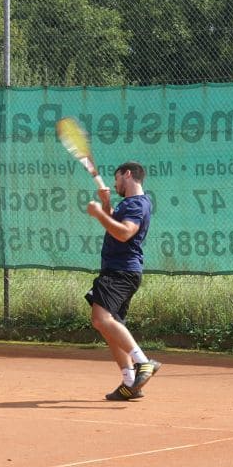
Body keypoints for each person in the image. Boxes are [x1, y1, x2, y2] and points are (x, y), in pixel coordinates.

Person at [84, 161, 161, 400]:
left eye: (117, 178)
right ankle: (130, 383)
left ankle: (143, 363)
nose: (115, 183)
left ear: (127, 175)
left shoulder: (137, 203)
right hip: (117, 270)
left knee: (101, 319)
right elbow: (114, 226)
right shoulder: (129, 203)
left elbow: (124, 232)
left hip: (121, 272)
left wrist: (98, 214)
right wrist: (106, 205)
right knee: (112, 327)